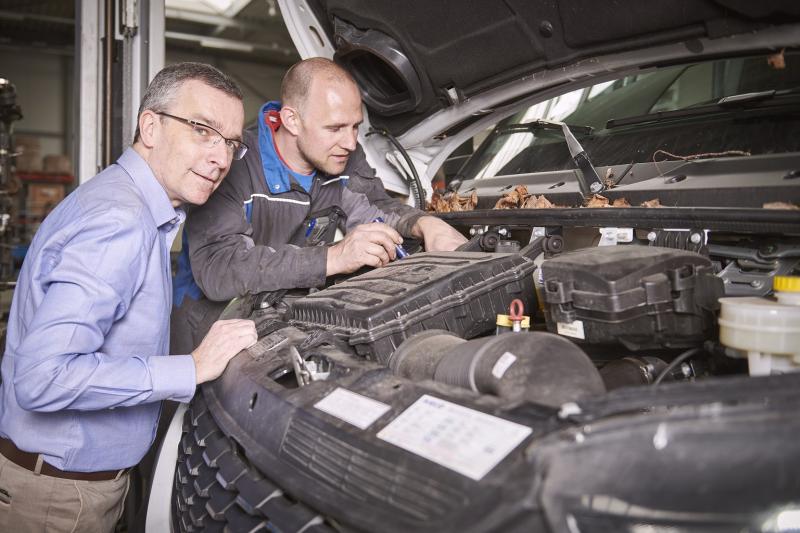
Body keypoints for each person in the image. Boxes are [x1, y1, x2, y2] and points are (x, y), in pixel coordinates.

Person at [0, 62, 257, 532]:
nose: (221, 157)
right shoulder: (119, 221)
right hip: (59, 500)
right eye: (204, 130)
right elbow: (42, 377)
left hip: (72, 489)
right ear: (151, 126)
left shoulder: (133, 208)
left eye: (232, 143)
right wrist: (192, 368)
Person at [171, 57, 467, 353]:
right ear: (292, 121)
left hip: (286, 323)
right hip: (209, 335)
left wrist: (426, 223)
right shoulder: (233, 162)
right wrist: (334, 257)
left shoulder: (342, 157)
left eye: (355, 127)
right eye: (335, 127)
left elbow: (375, 207)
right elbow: (219, 270)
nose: (350, 142)